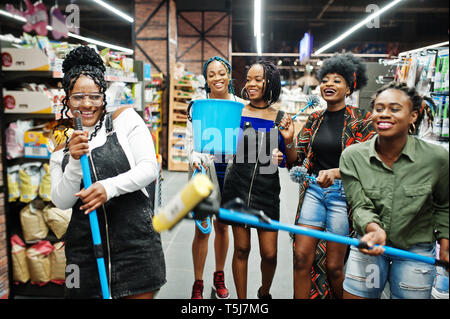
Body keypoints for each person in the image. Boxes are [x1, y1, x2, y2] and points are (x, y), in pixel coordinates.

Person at [50, 46, 166, 299]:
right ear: (66, 99)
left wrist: (108, 188)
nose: (87, 104)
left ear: (103, 95)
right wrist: (73, 161)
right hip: (85, 253)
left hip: (135, 245)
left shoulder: (125, 120)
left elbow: (148, 168)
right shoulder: (61, 146)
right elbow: (61, 200)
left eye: (94, 96)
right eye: (78, 96)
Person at [276, 53, 376, 299]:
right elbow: (294, 162)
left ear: (350, 86)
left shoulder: (361, 120)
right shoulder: (314, 119)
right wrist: (288, 141)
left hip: (342, 196)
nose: (329, 85)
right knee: (300, 258)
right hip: (312, 191)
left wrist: (336, 173)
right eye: (325, 80)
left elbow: (370, 165)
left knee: (334, 266)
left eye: (337, 80)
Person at [340, 82, 449, 299]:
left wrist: (446, 244)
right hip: (369, 247)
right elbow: (359, 204)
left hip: (414, 251)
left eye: (394, 109)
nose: (384, 114)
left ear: (413, 116)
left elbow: (444, 205)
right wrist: (374, 229)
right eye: (379, 109)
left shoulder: (436, 159)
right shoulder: (353, 156)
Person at [221, 60, 287, 299]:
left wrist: (284, 149)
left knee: (269, 253)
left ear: (270, 83)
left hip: (267, 189)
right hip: (237, 184)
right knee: (242, 248)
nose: (251, 84)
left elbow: (291, 159)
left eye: (257, 79)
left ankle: (264, 292)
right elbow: (221, 145)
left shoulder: (280, 117)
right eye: (248, 79)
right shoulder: (236, 112)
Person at [185, 56, 246, 299]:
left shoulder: (240, 105)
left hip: (229, 170)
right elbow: (189, 141)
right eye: (211, 74)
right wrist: (194, 157)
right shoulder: (197, 105)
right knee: (203, 228)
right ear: (206, 79)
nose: (217, 78)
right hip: (204, 170)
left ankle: (218, 275)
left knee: (223, 226)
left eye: (221, 73)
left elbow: (246, 139)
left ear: (229, 75)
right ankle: (197, 282)